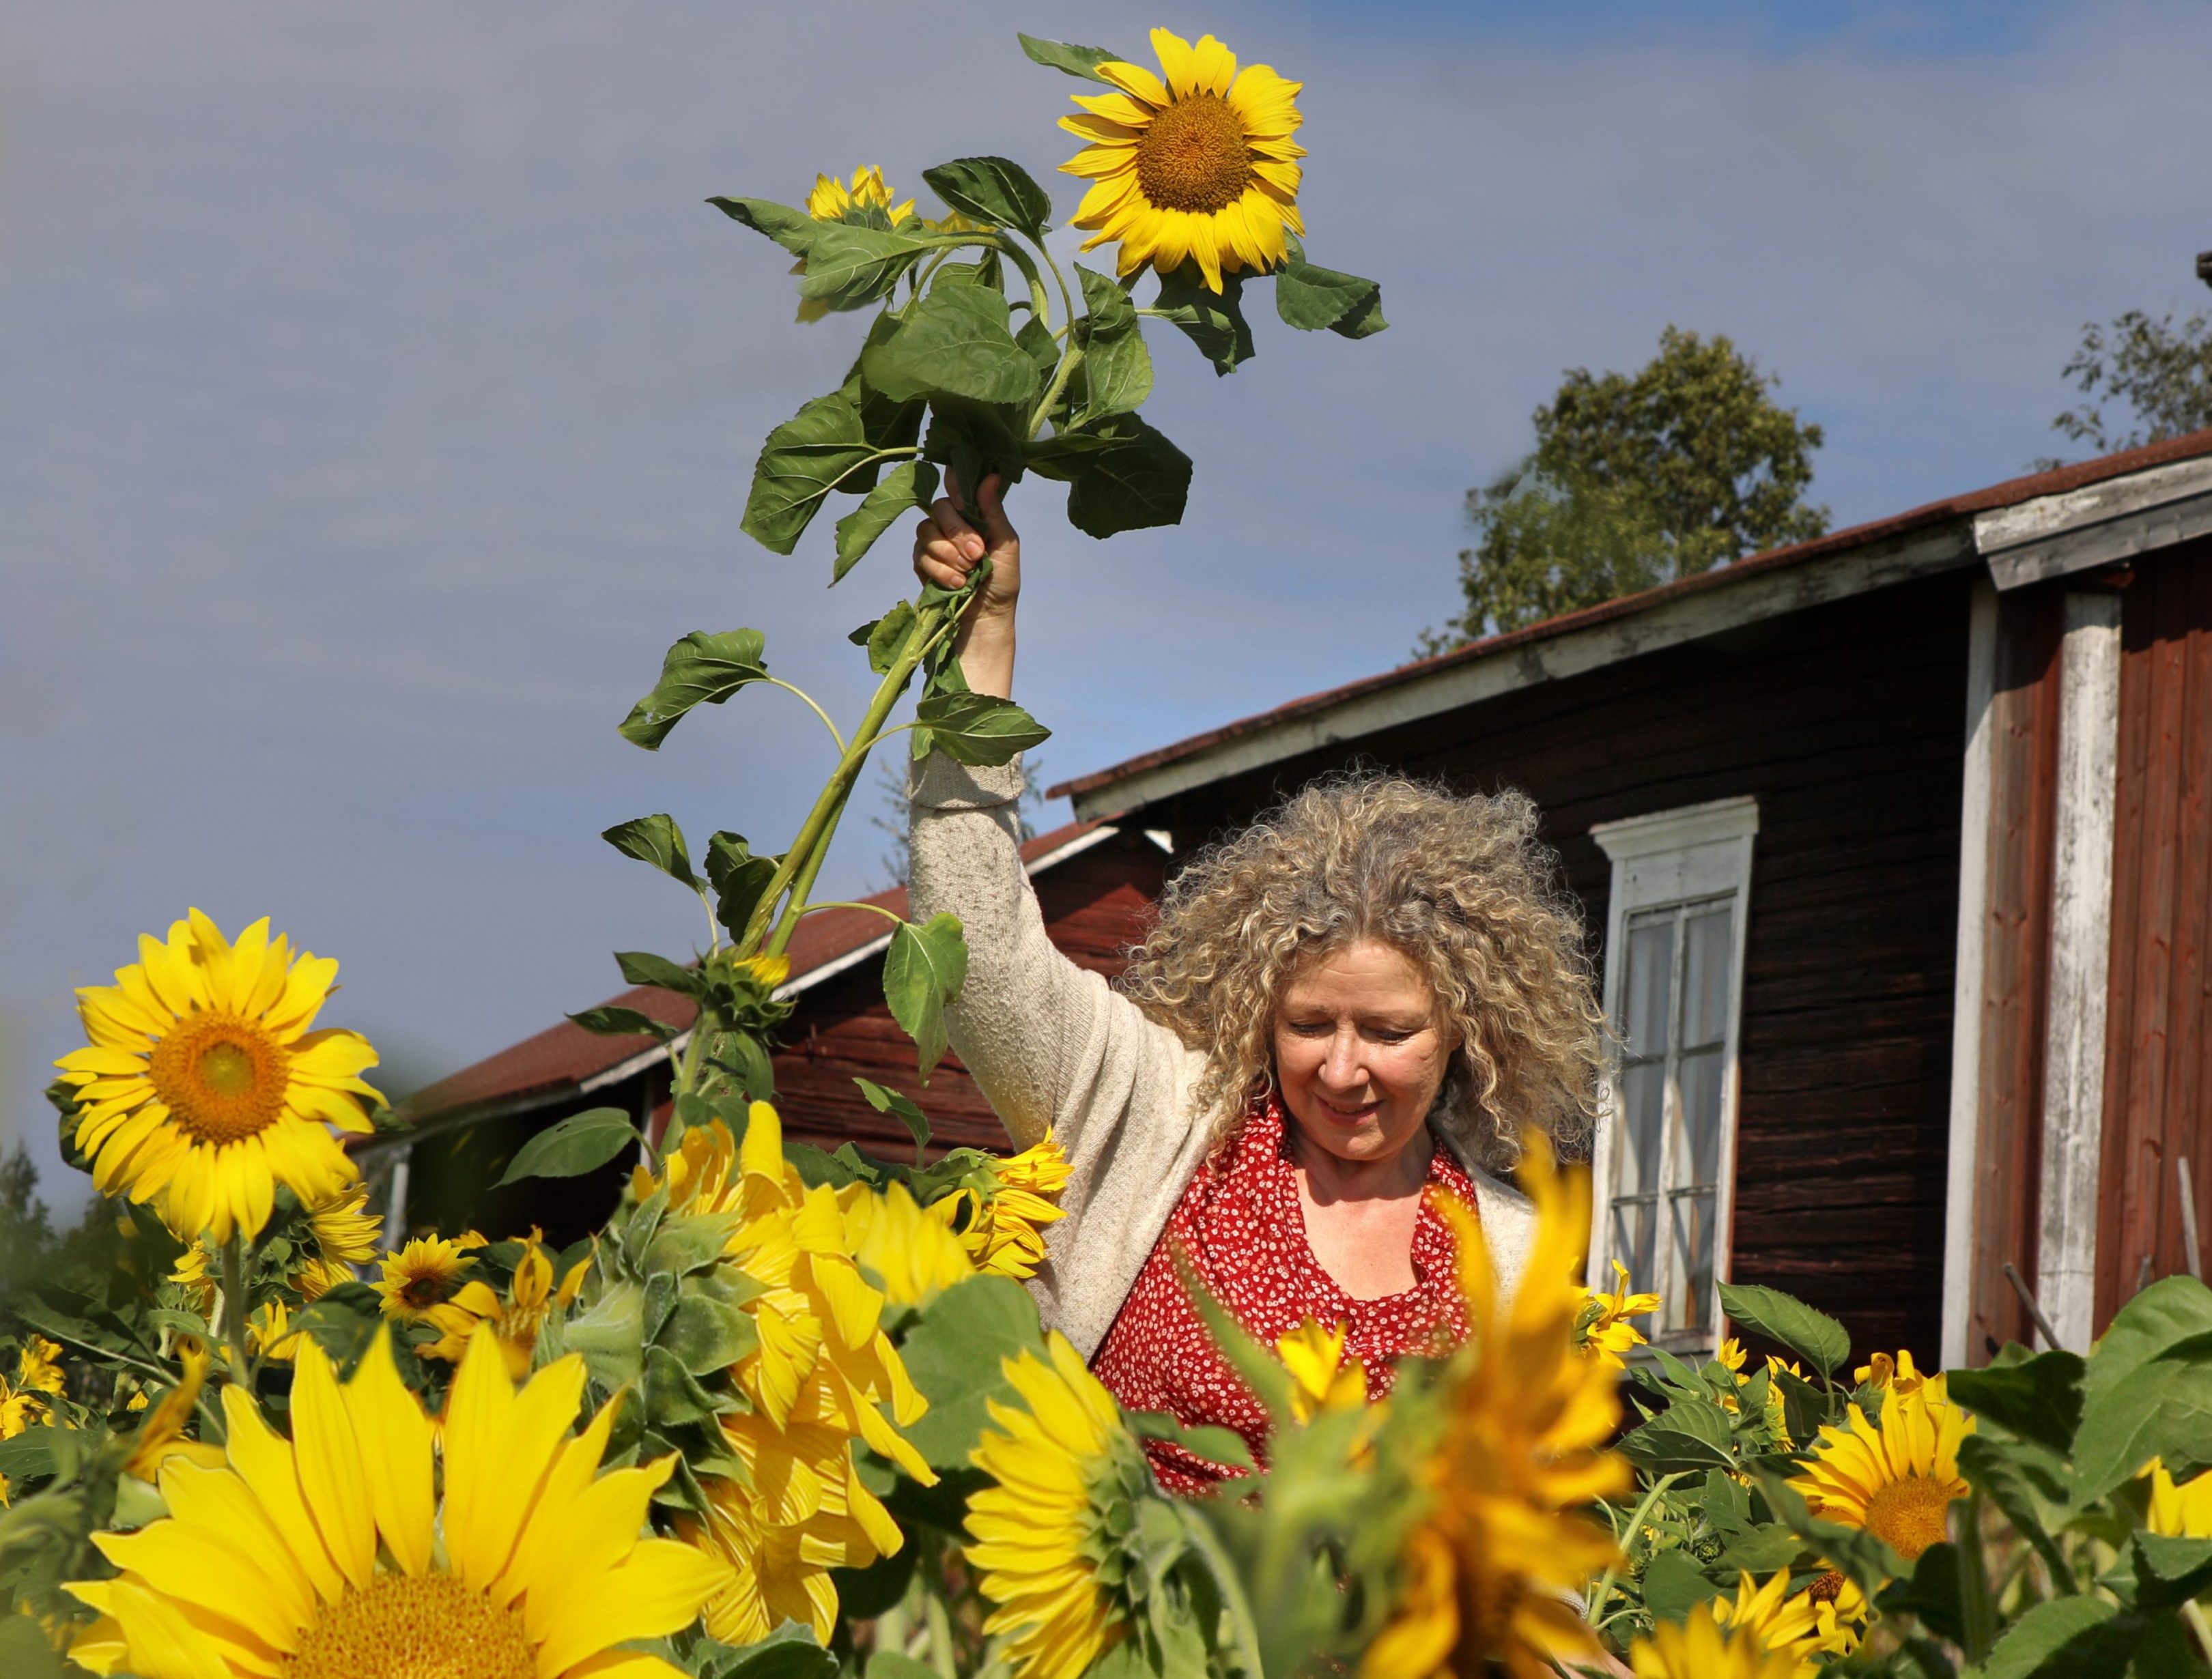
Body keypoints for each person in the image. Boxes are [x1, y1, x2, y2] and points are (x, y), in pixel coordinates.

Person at [907, 474, 1606, 1493]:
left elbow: (1526, 1550)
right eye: (1310, 1022)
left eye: (1391, 1029)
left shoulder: (1512, 1252)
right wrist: (984, 647)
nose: (1344, 1068)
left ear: (1466, 1028)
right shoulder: (1155, 1121)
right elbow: (979, 952)